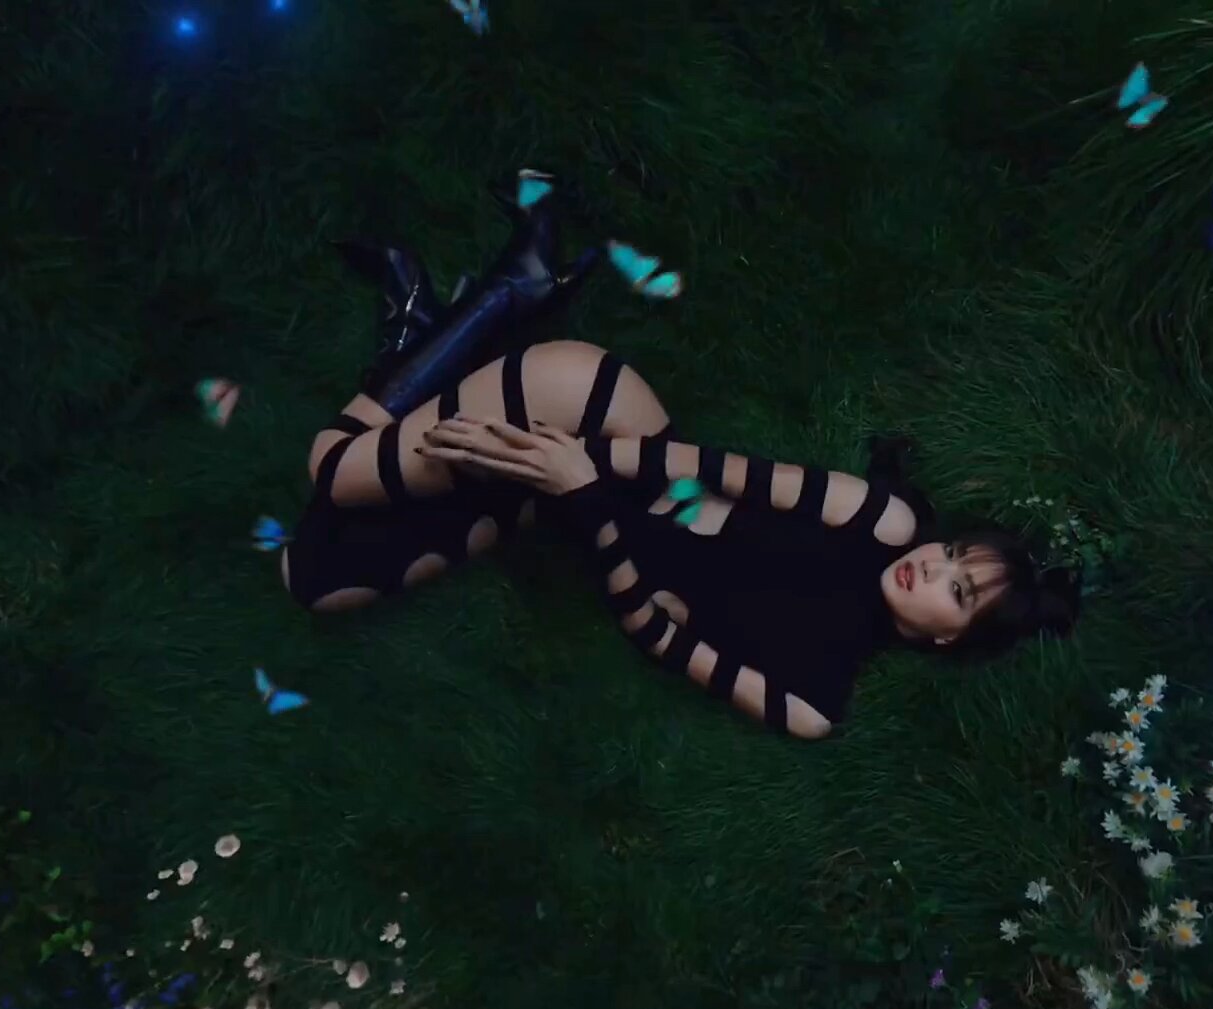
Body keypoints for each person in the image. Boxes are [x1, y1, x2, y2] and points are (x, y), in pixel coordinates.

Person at [282, 176, 1081, 739]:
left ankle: (424, 326)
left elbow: (657, 637)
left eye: (957, 589)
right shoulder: (885, 521)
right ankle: (504, 293)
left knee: (314, 577)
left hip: (580, 508)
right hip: (621, 438)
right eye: (952, 554)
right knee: (332, 468)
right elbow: (716, 471)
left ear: (948, 640)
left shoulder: (813, 701)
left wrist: (580, 496)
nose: (932, 565)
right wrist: (581, 458)